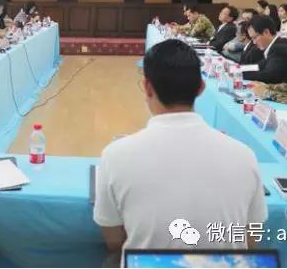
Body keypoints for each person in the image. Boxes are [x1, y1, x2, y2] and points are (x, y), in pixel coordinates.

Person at [93, 39, 267, 261]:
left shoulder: (115, 156)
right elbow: (252, 238)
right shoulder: (244, 156)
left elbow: (113, 240)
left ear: (147, 87)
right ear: (201, 88)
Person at [242, 16, 287, 84]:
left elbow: (268, 76)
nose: (254, 42)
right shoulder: (277, 44)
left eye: (255, 37)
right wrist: (239, 69)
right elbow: (260, 65)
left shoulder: (279, 48)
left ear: (266, 32)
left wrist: (240, 74)